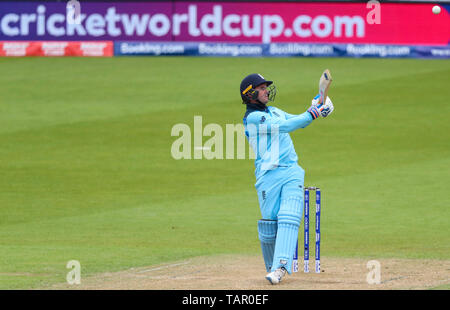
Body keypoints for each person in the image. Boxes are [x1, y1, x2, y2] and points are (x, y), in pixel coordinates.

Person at [240, 73, 334, 285]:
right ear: (250, 94)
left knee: (289, 217)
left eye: (266, 87)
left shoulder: (273, 111)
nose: (266, 91)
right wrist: (314, 112)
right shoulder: (253, 119)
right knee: (269, 226)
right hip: (267, 175)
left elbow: (296, 120)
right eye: (261, 88)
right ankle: (272, 267)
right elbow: (286, 126)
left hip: (291, 171)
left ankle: (280, 267)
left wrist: (317, 106)